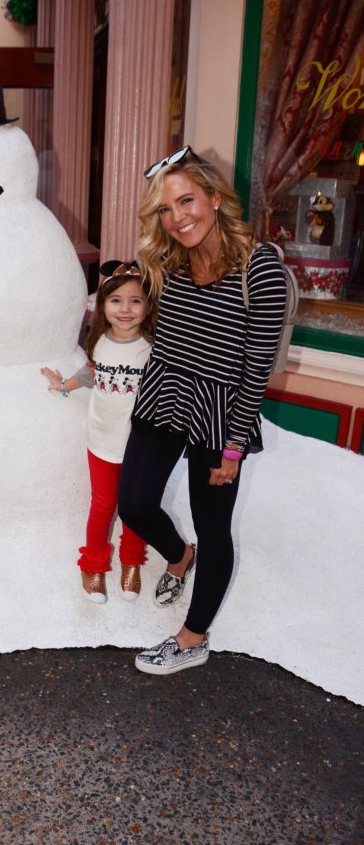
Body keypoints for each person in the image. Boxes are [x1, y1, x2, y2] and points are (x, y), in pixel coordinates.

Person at [117, 146, 287, 676]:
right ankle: (178, 555)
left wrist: (233, 448)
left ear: (214, 197)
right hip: (164, 394)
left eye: (186, 201)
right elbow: (131, 314)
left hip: (220, 413)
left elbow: (256, 370)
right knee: (134, 504)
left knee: (214, 530)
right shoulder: (168, 260)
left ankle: (192, 638)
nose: (177, 217)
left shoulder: (259, 267)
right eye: (165, 209)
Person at [41, 261, 155, 604]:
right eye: (116, 301)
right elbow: (92, 372)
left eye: (135, 301)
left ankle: (131, 561)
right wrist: (64, 385)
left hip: (139, 447)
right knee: (103, 506)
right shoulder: (101, 342)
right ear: (103, 305)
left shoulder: (152, 348)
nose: (125, 309)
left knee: (135, 508)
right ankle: (93, 564)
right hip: (102, 442)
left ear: (148, 306)